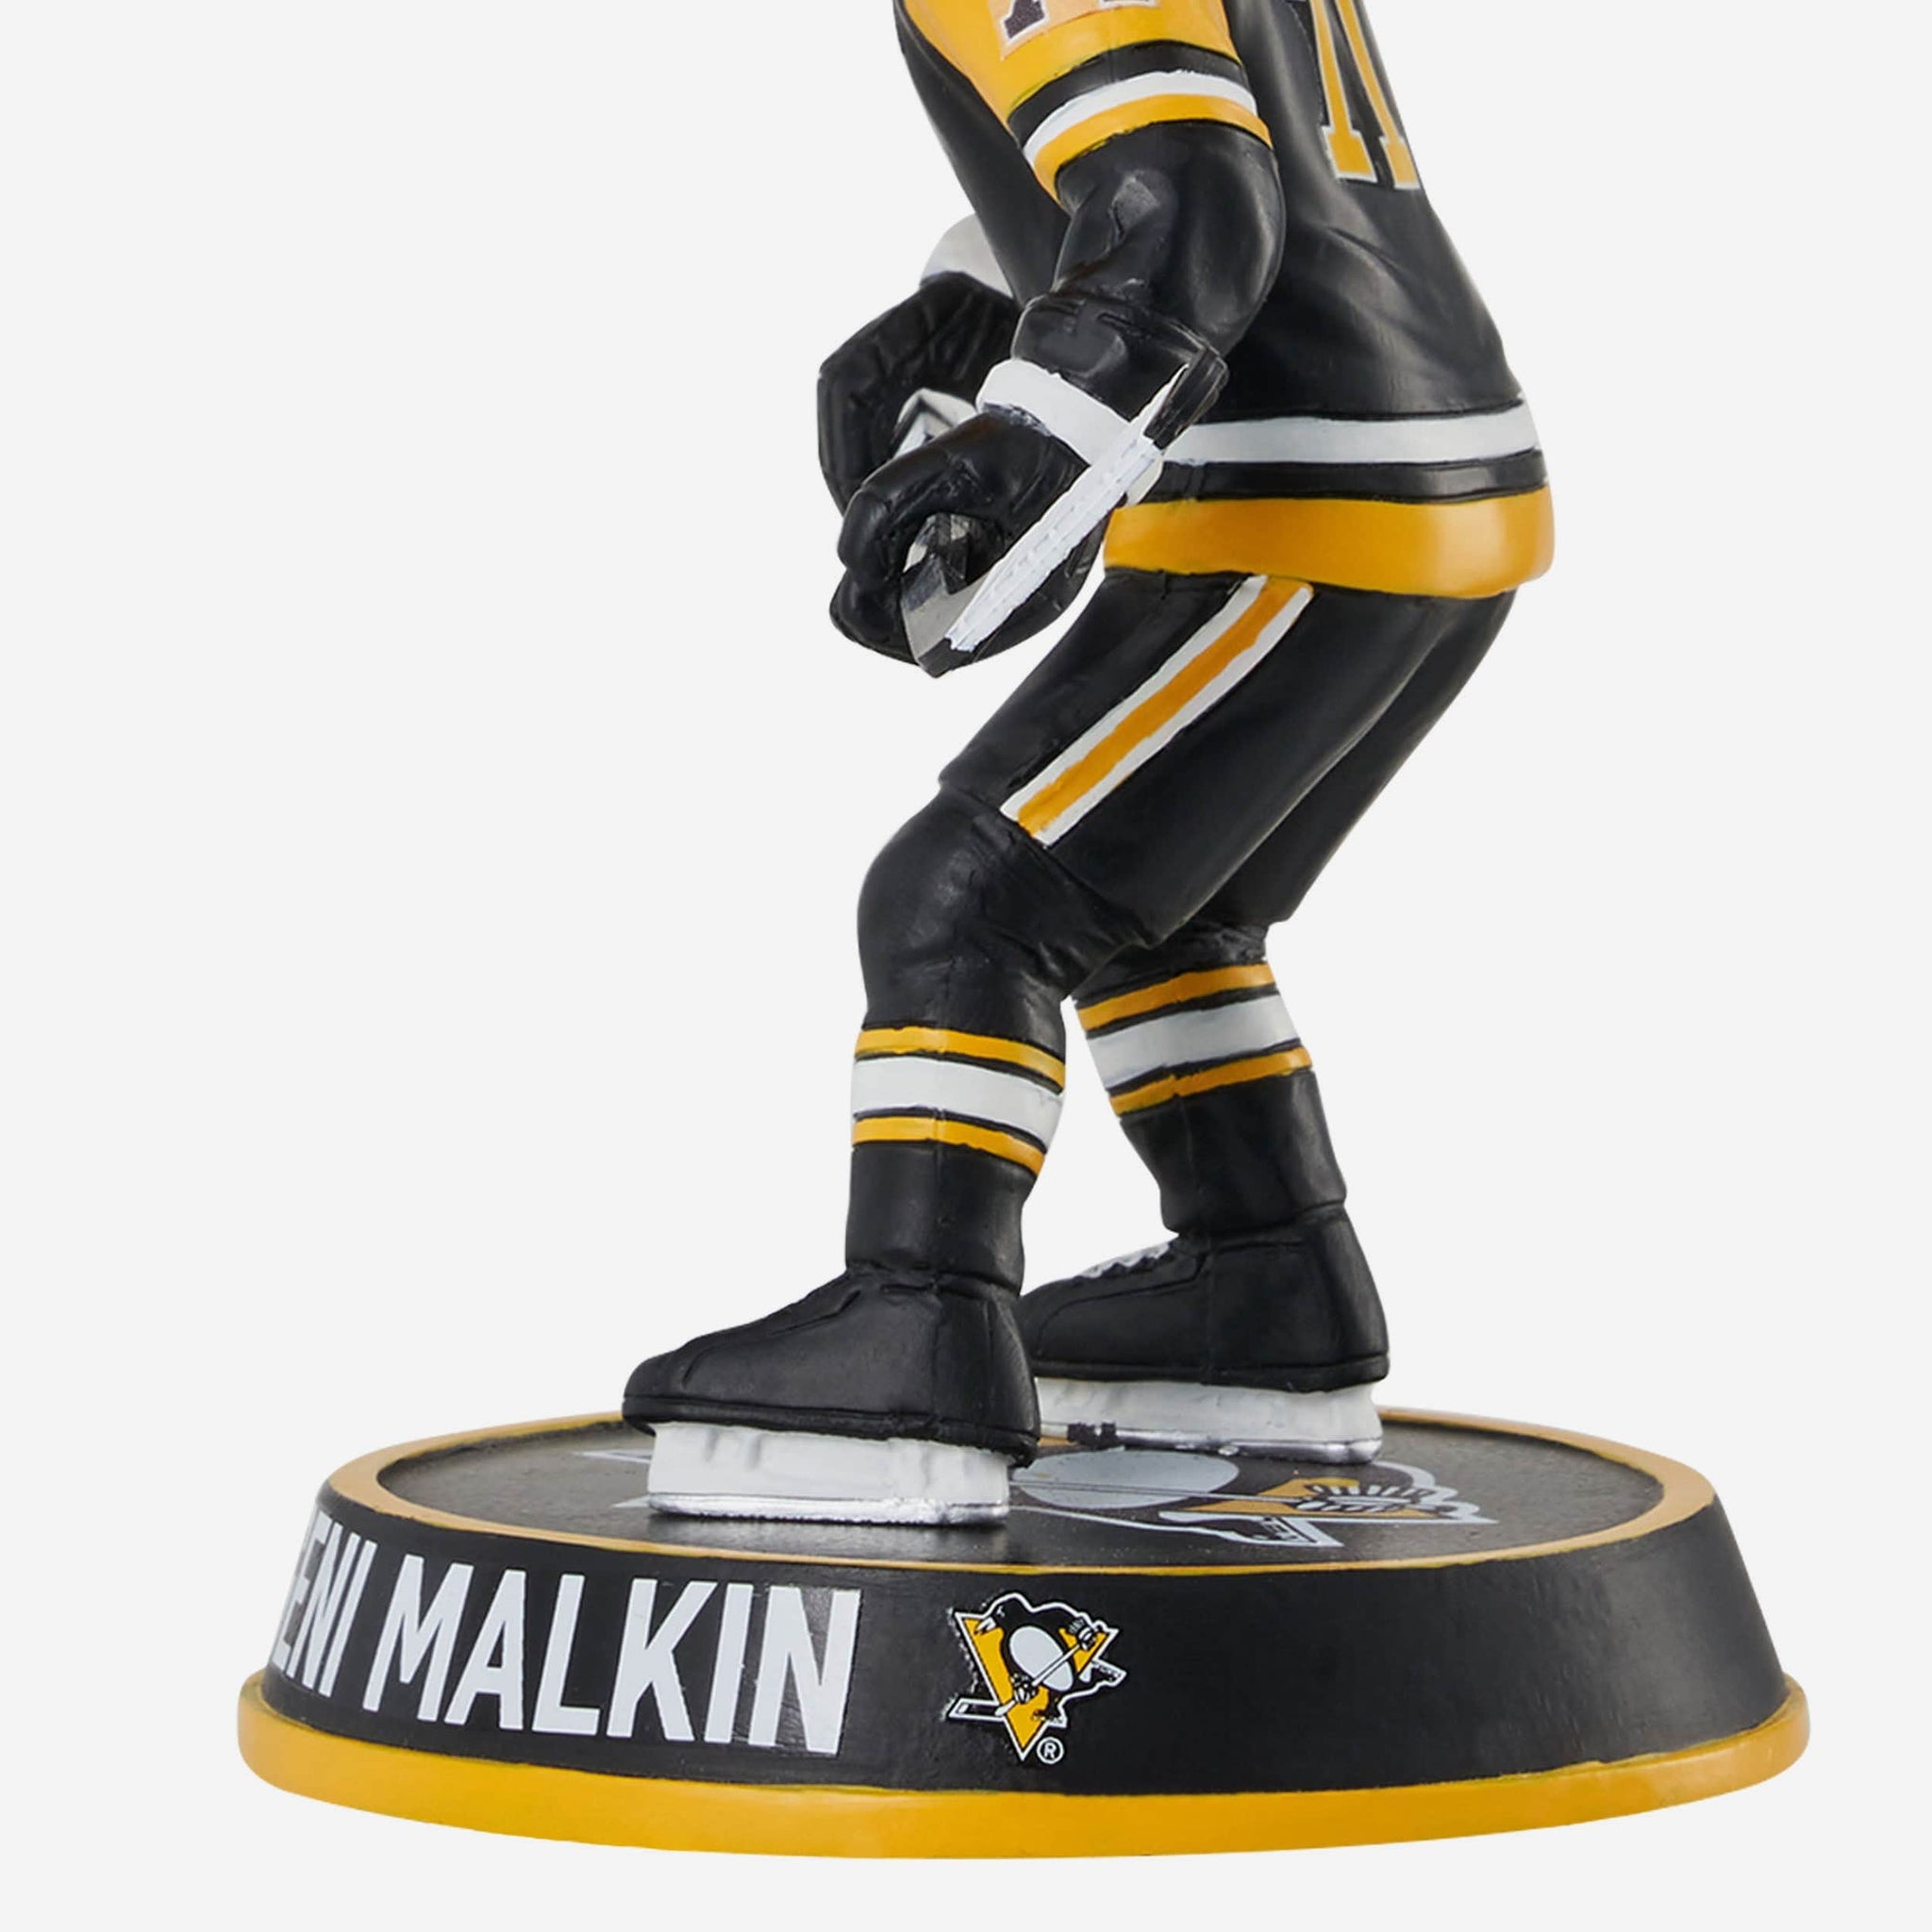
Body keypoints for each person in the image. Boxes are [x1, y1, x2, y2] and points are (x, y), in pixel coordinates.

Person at [625, 0, 1553, 1522]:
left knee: (963, 907)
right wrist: (973, 298)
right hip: (1420, 480)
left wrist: (1038, 441)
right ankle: (1263, 1283)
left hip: (1299, 499)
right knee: (1160, 914)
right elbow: (1210, 154)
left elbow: (1187, 200)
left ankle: (916, 1329)